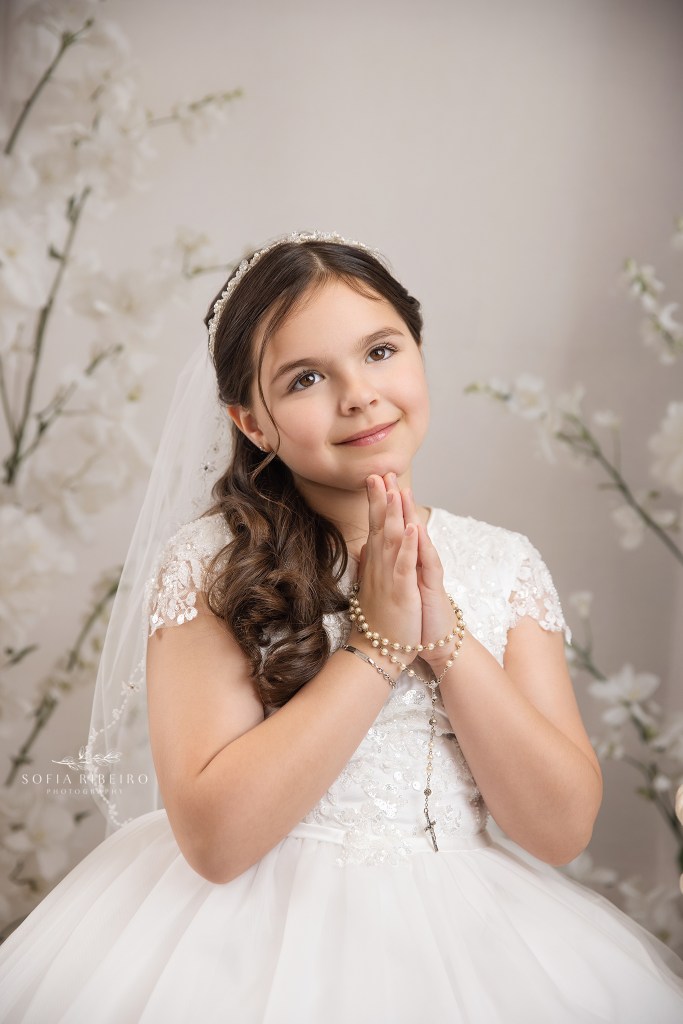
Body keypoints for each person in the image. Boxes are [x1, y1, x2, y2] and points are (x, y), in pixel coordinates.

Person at [1, 232, 682, 1023]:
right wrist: (376, 643)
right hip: (242, 951)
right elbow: (218, 845)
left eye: (381, 351)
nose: (358, 394)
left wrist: (443, 638)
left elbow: (560, 829)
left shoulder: (502, 563)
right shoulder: (214, 566)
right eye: (307, 378)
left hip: (471, 941)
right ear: (253, 423)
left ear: (419, 353)